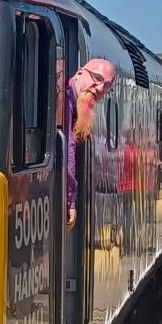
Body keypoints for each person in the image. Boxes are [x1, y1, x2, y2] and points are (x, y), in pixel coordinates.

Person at [65, 58, 116, 229]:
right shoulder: (64, 101)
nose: (100, 88)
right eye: (97, 78)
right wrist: (69, 201)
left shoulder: (74, 102)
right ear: (80, 73)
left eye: (107, 86)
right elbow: (67, 151)